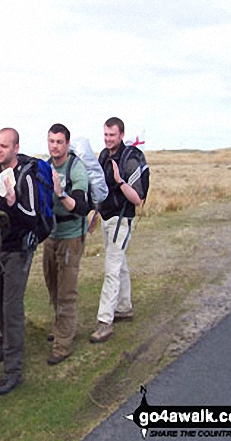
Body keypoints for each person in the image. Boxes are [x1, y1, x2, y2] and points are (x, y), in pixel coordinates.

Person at [0, 127, 38, 395]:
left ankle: (13, 370)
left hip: (19, 250)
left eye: (3, 146)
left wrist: (14, 202)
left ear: (15, 148)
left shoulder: (25, 177)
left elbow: (31, 217)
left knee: (12, 307)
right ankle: (7, 342)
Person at [89, 117, 148, 343]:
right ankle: (124, 307)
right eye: (105, 135)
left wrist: (119, 180)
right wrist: (95, 214)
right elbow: (102, 190)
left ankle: (105, 322)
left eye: (112, 135)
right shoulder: (104, 156)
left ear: (121, 135)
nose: (108, 139)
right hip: (106, 217)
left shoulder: (130, 159)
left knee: (111, 268)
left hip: (122, 220)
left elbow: (138, 200)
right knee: (119, 263)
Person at [43, 123, 89, 365]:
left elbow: (82, 206)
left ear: (67, 144)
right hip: (51, 235)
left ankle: (63, 344)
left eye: (59, 142)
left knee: (67, 291)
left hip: (71, 235)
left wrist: (61, 193)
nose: (55, 146)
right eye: (51, 141)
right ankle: (61, 325)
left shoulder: (76, 169)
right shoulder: (45, 166)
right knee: (52, 284)